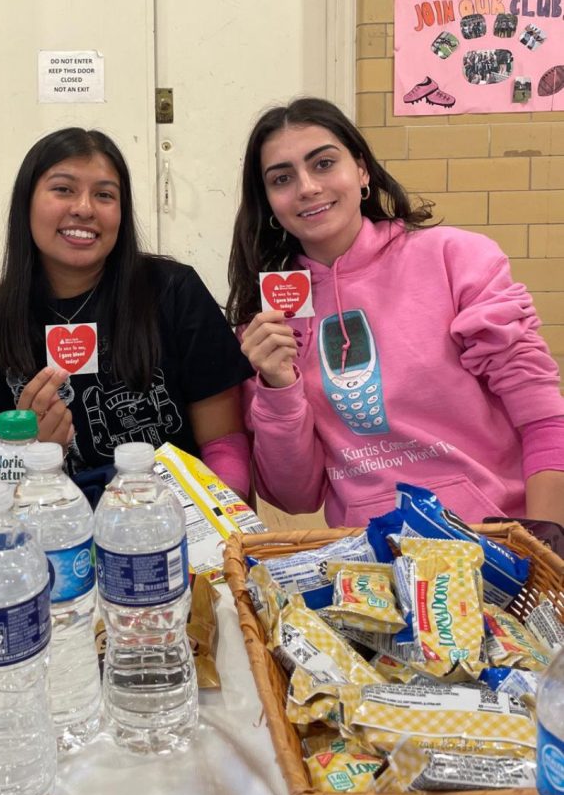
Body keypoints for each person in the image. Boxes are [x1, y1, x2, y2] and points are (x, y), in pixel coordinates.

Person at [228, 97, 564, 527]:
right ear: (269, 202)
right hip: (371, 568)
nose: (307, 187)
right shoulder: (269, 319)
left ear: (362, 170)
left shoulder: (455, 259)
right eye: (282, 178)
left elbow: (544, 419)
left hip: (495, 547)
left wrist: (544, 546)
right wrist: (278, 387)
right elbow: (297, 497)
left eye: (324, 164)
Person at [0, 127, 252, 501]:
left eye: (104, 195)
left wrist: (218, 523)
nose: (84, 208)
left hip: (178, 526)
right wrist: (33, 458)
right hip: (63, 534)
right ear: (26, 202)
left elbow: (224, 444)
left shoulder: (174, 291)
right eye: (63, 189)